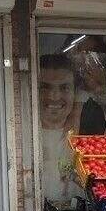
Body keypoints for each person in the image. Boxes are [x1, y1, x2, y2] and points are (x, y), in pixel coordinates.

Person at [37, 54, 80, 201]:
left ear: (75, 93)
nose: (54, 96)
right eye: (44, 87)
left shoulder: (85, 136)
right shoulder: (25, 136)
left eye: (64, 88)